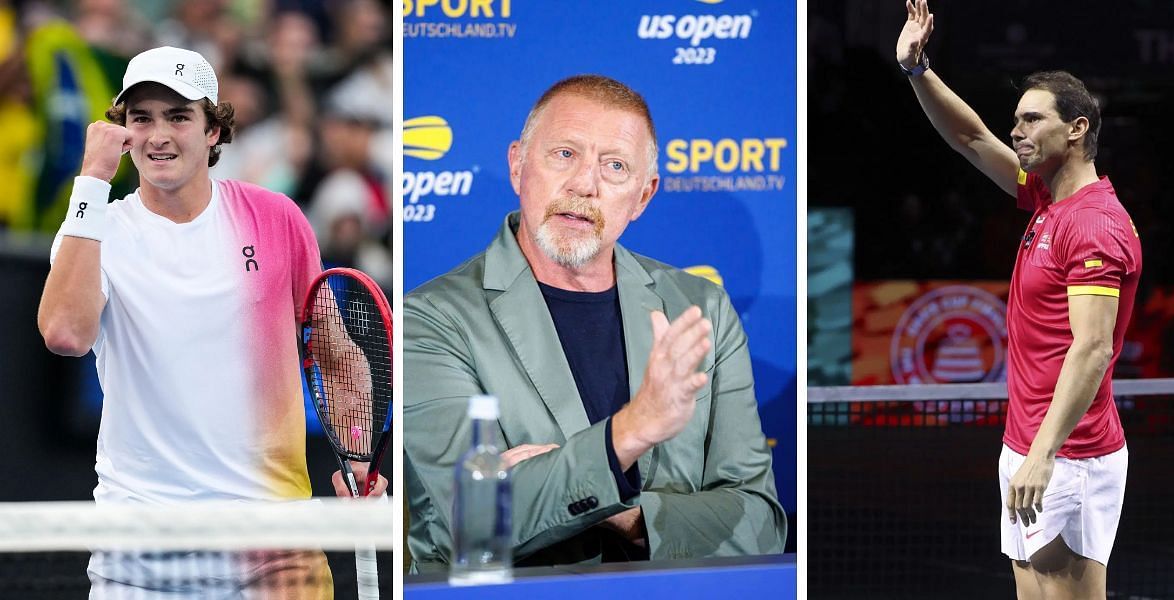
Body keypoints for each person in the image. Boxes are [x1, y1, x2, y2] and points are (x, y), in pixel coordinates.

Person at [35, 45, 388, 597]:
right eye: (141, 118)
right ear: (122, 130)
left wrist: (359, 457)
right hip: (141, 552)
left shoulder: (276, 218)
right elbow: (65, 334)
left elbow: (334, 353)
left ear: (213, 132)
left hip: (276, 548)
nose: (158, 135)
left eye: (178, 117)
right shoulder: (95, 230)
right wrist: (92, 180)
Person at [402, 74, 787, 571]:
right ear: (518, 165)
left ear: (643, 197)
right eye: (564, 154)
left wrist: (624, 514)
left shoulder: (702, 309)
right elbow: (470, 520)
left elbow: (759, 525)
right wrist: (631, 431)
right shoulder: (433, 319)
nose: (585, 184)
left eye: (615, 166)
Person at [896, 2, 1142, 597]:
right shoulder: (1046, 201)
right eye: (1018, 120)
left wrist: (1043, 455)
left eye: (1032, 120)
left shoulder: (1093, 225)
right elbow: (970, 136)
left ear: (1077, 128)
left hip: (1069, 457)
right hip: (1027, 446)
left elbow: (1092, 348)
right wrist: (916, 68)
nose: (1016, 131)